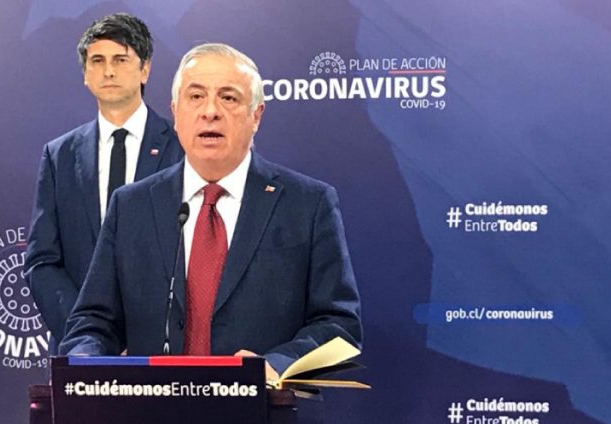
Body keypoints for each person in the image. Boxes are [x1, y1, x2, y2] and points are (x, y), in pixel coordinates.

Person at [60, 43, 362, 379]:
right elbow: (94, 321)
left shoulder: (307, 204)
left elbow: (338, 326)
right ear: (175, 113)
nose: (210, 111)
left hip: (261, 405)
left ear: (256, 116)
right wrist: (83, 360)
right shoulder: (131, 206)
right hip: (152, 405)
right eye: (196, 97)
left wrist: (275, 365)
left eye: (229, 98)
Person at [24, 13, 183, 355]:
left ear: (145, 69)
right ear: (85, 74)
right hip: (82, 352)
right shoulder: (59, 155)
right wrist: (87, 336)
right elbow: (42, 261)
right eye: (97, 61)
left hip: (163, 352)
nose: (108, 71)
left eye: (120, 60)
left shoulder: (182, 148)